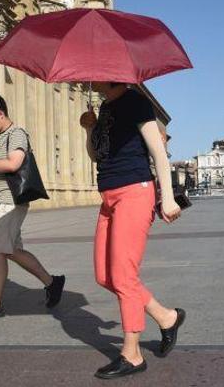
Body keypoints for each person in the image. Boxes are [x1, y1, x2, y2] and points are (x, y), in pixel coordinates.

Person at [79, 83, 186, 380]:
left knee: (125, 276)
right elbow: (96, 155)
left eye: (95, 73)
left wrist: (167, 196)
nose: (90, 79)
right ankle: (166, 317)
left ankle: (132, 354)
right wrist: (89, 129)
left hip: (135, 192)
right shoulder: (105, 107)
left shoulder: (136, 101)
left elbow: (158, 151)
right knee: (105, 275)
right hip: (109, 196)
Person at [0, 93, 65, 320]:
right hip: (1, 199)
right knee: (12, 250)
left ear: (0, 113)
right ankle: (52, 283)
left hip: (10, 201)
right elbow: (0, 167)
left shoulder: (16, 133)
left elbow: (14, 163)